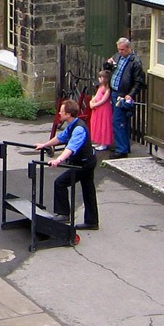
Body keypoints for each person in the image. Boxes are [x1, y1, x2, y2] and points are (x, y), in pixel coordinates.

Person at [33, 99, 99, 230]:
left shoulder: (79, 129)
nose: (59, 113)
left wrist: (58, 160)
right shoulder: (71, 125)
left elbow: (71, 147)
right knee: (88, 189)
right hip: (86, 160)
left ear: (68, 114)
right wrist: (44, 145)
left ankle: (64, 214)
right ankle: (92, 222)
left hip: (84, 163)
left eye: (61, 111)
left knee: (60, 183)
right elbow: (60, 138)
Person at [103, 37, 145, 158]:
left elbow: (139, 82)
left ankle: (121, 149)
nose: (120, 52)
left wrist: (130, 95)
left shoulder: (135, 62)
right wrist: (108, 64)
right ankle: (123, 146)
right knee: (120, 121)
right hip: (115, 91)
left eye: (122, 50)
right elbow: (107, 68)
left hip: (123, 95)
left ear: (128, 48)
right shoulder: (117, 56)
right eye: (119, 49)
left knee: (119, 121)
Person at [89, 70, 113, 151]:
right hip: (97, 110)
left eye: (101, 77)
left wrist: (94, 104)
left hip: (104, 110)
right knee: (98, 124)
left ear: (106, 79)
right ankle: (99, 141)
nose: (99, 79)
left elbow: (104, 100)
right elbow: (95, 96)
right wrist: (91, 102)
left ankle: (104, 143)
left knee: (103, 125)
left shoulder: (107, 89)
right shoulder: (100, 87)